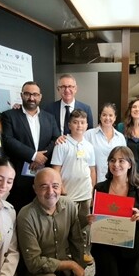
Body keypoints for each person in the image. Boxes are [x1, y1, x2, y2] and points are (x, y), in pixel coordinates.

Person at [17, 168, 91, 276]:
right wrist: (71, 266)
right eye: (43, 187)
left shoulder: (69, 206)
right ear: (34, 189)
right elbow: (34, 263)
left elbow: (76, 242)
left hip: (61, 260)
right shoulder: (26, 216)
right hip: (33, 270)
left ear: (62, 187)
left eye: (55, 186)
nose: (50, 192)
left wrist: (80, 269)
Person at [90, 146, 139, 276]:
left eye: (121, 160)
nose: (116, 164)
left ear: (130, 164)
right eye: (112, 160)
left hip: (127, 243)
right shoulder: (100, 188)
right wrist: (91, 218)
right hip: (104, 243)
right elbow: (93, 213)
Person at [1, 81, 60, 212]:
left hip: (44, 175)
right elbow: (8, 140)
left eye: (35, 94)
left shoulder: (49, 118)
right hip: (20, 178)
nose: (31, 98)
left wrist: (41, 157)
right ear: (22, 95)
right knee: (20, 211)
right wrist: (33, 156)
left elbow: (56, 138)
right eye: (27, 94)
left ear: (40, 96)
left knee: (44, 211)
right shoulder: (9, 116)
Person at [51, 109, 96, 264]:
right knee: (66, 225)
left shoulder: (89, 146)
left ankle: (81, 251)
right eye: (75, 122)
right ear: (69, 124)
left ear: (87, 125)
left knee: (83, 224)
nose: (79, 125)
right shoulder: (62, 144)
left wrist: (93, 189)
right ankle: (65, 251)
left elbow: (92, 169)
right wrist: (60, 189)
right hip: (68, 194)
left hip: (85, 192)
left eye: (82, 122)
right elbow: (55, 169)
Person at [84, 103, 126, 183]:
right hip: (94, 181)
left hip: (116, 182)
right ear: (100, 116)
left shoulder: (120, 137)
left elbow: (124, 161)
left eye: (110, 115)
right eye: (104, 115)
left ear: (115, 118)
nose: (107, 118)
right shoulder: (89, 135)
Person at [116, 98, 139, 171]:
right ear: (130, 110)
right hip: (126, 169)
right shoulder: (121, 127)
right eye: (134, 107)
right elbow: (119, 149)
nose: (137, 109)